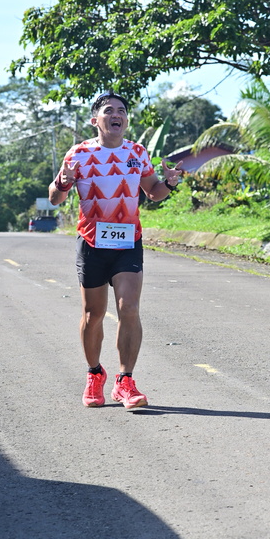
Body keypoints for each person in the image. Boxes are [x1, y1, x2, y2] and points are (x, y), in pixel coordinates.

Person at [48, 91, 183, 410]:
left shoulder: (136, 152)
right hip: (92, 243)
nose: (116, 115)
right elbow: (54, 198)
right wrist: (64, 182)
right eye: (108, 110)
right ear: (95, 120)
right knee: (92, 314)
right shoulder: (79, 154)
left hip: (127, 243)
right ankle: (95, 373)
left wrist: (169, 183)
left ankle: (125, 381)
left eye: (121, 110)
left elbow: (153, 193)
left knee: (129, 308)